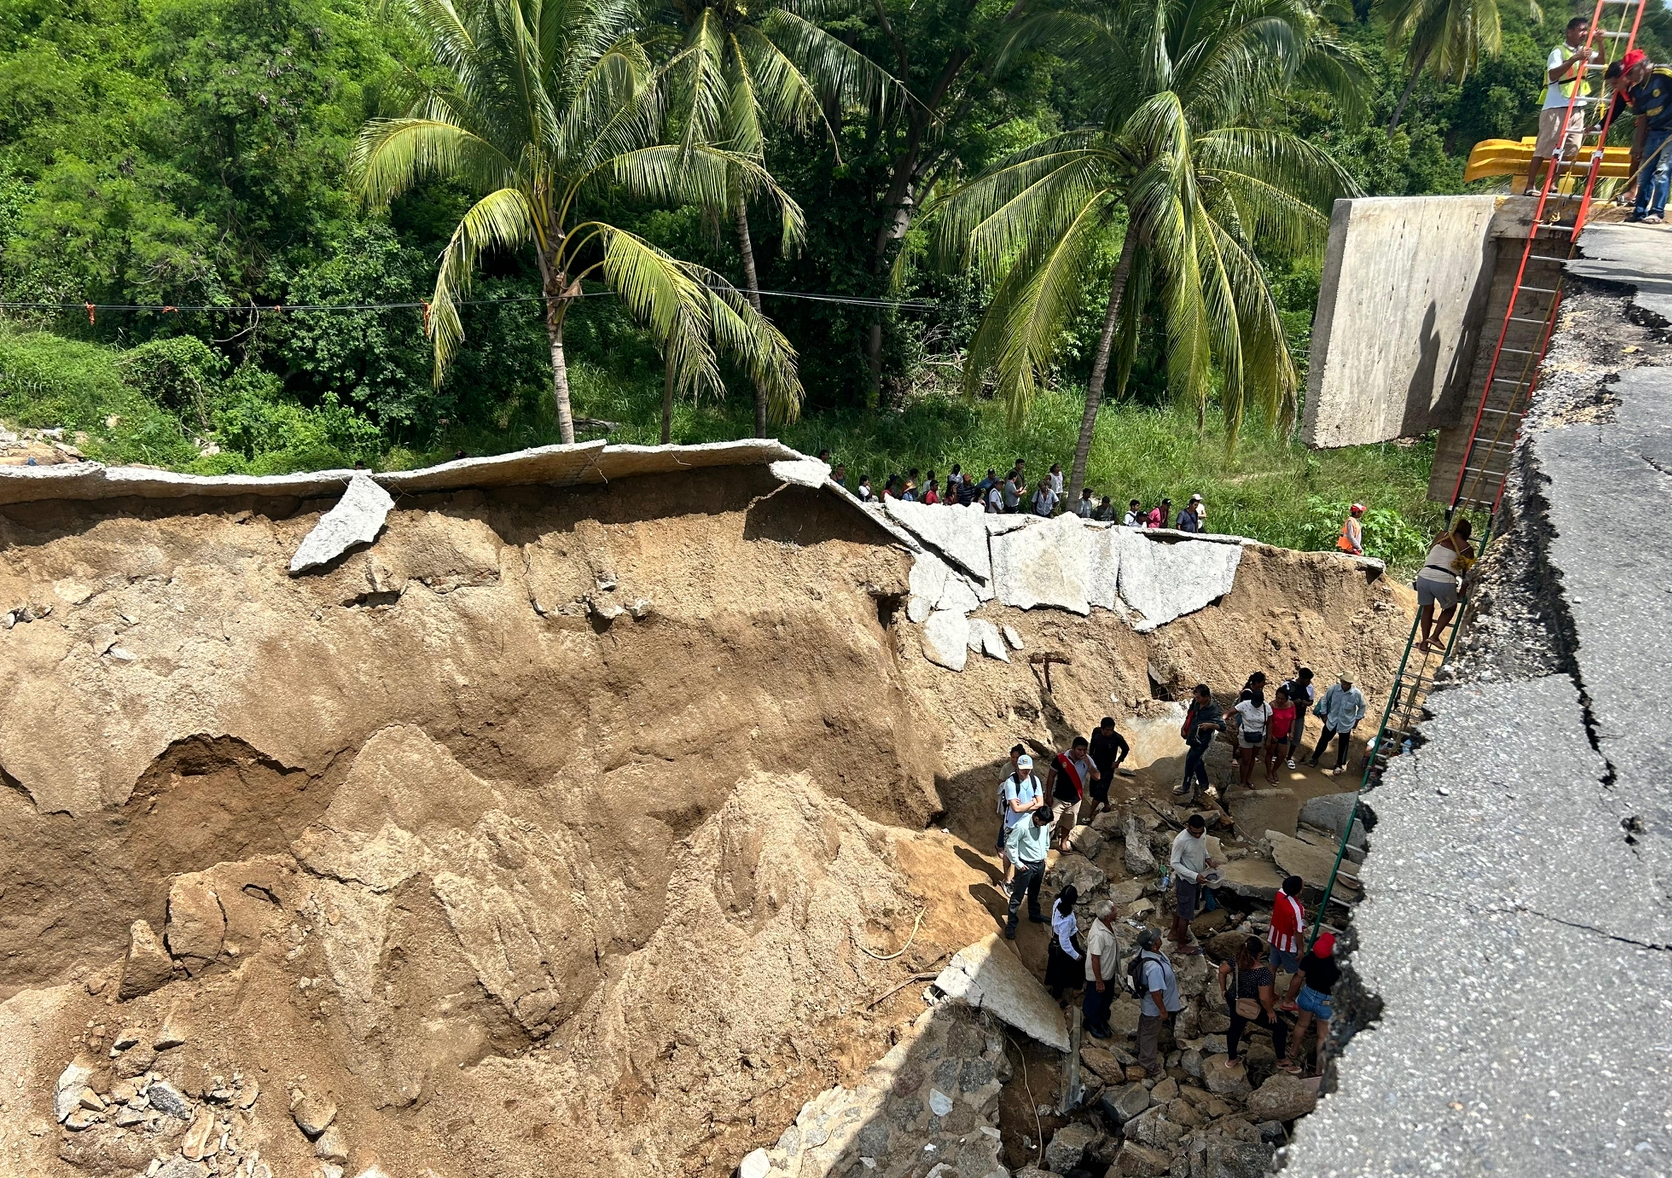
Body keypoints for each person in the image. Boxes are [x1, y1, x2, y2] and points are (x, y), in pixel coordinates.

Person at [1526, 17, 1597, 197]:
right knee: (1544, 147)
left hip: (1577, 106)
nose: (1584, 33)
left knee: (1571, 148)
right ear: (1569, 31)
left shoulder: (1585, 51)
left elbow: (1600, 63)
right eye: (1581, 30)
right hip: (1556, 106)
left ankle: (1552, 183)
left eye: (1585, 30)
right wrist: (1574, 59)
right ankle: (1530, 185)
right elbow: (1553, 74)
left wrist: (1601, 44)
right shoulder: (1558, 52)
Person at [1607, 50, 1672, 223]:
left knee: (1663, 171)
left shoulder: (1664, 74)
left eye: (1631, 72)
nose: (1629, 77)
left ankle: (1656, 212)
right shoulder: (1637, 91)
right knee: (1645, 171)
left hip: (1670, 132)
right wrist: (1638, 144)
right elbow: (1642, 117)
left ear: (1641, 66)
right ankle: (1639, 211)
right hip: (1654, 131)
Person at [1217, 936, 1289, 1071]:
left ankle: (1232, 1059)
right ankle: (1281, 1058)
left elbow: (1221, 971)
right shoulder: (1263, 973)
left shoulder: (1235, 961)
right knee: (1280, 1027)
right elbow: (1263, 998)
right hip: (1253, 1006)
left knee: (1235, 1028)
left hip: (1234, 1000)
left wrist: (1223, 990)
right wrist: (1270, 1011)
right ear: (1259, 954)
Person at [1282, 932, 1341, 1077]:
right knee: (1322, 1037)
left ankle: (1293, 1052)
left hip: (1307, 995)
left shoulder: (1309, 958)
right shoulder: (1339, 964)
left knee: (1301, 1025)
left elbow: (1298, 978)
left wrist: (1289, 997)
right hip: (1327, 1001)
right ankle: (1318, 1071)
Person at [1414, 518, 1475, 652]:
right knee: (1450, 608)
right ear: (1467, 533)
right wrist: (1461, 593)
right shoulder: (1467, 548)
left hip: (1424, 576)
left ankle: (1424, 643)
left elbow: (1432, 549)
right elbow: (1468, 575)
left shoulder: (1441, 536)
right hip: (1443, 579)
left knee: (1427, 609)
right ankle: (1434, 637)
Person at [1133, 928, 1181, 1078]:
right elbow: (1155, 992)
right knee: (1150, 1032)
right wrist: (1162, 1010)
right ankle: (1147, 1062)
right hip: (1153, 1007)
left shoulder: (1149, 953)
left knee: (1144, 1024)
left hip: (1148, 1005)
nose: (1161, 939)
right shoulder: (1153, 968)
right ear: (1153, 946)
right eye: (1157, 939)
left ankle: (1138, 1047)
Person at [1168, 813, 1219, 955]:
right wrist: (1194, 876)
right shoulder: (1181, 840)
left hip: (1198, 878)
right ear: (1187, 826)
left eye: (1200, 832)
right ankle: (1181, 945)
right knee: (1186, 915)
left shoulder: (1202, 832)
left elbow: (1202, 847)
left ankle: (1173, 932)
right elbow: (1174, 863)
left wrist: (1208, 860)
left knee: (1183, 907)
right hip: (1186, 881)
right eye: (1194, 833)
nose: (1197, 836)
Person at [1003, 806, 1054, 939]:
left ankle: (1034, 914)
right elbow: (1010, 845)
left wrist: (1045, 853)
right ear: (1037, 818)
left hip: (1040, 864)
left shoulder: (1044, 825)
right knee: (1017, 896)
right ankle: (1011, 924)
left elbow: (1046, 839)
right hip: (1026, 866)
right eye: (1044, 823)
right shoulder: (1022, 826)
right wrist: (1018, 864)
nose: (1045, 825)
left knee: (1034, 892)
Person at [996, 751, 1043, 884]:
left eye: (1028, 769)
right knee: (1009, 852)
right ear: (1017, 768)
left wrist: (1024, 806)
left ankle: (1018, 880)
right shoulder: (1011, 782)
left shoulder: (1035, 780)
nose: (1025, 772)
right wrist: (1032, 802)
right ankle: (1007, 879)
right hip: (1012, 824)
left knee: (1023, 854)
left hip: (1028, 824)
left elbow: (1041, 804)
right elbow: (1015, 809)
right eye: (1023, 769)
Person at [1046, 737, 1098, 851]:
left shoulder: (1087, 759)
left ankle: (1063, 843)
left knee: (1069, 823)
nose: (1082, 753)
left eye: (1084, 750)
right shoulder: (1060, 758)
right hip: (1058, 797)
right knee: (1050, 822)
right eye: (1079, 750)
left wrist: (1089, 765)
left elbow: (1097, 777)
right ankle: (1044, 845)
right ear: (1073, 748)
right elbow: (1051, 776)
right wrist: (1048, 795)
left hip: (1075, 799)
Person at [1309, 672, 1366, 776]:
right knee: (1323, 740)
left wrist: (1357, 720)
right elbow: (1324, 700)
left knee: (1343, 745)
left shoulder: (1356, 694)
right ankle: (1314, 758)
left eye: (1348, 683)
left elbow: (1362, 707)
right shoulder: (1334, 689)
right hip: (1332, 720)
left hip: (1346, 723)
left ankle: (1339, 764)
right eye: (1344, 682)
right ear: (1341, 681)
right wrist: (1324, 714)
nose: (1345, 684)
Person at [1176, 684, 1223, 800]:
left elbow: (1222, 726)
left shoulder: (1213, 709)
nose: (1196, 699)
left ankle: (1185, 786)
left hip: (1203, 739)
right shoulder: (1196, 703)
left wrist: (1210, 725)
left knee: (1190, 760)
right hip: (1192, 735)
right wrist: (1184, 727)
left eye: (1199, 697)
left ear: (1206, 697)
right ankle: (1204, 783)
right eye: (1195, 697)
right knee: (1197, 760)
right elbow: (1190, 715)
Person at [1082, 901, 1120, 1038]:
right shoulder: (1098, 935)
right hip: (1099, 975)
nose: (1117, 910)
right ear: (1108, 916)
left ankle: (1101, 1019)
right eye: (1114, 910)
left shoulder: (1106, 924)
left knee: (1105, 998)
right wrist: (1099, 981)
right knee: (1095, 999)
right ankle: (1092, 1022)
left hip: (1107, 972)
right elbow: (1095, 959)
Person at [1087, 717, 1130, 823]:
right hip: (1096, 766)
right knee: (1094, 789)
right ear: (1102, 729)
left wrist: (1118, 761)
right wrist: (1090, 757)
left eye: (1111, 730)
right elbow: (1092, 744)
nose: (1109, 732)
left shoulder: (1117, 738)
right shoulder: (1096, 732)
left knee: (1100, 791)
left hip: (1108, 768)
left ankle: (1089, 815)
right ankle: (1106, 804)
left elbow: (1125, 749)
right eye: (1107, 730)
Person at [1046, 885, 1083, 1002]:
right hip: (1065, 944)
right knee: (1063, 970)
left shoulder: (1058, 902)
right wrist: (1075, 955)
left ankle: (1056, 987)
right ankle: (1060, 996)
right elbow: (1065, 941)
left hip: (1055, 939)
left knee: (1056, 967)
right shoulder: (1066, 920)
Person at [1231, 685, 1271, 790]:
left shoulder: (1267, 708)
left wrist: (1269, 738)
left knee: (1252, 758)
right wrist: (1221, 720)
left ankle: (1248, 778)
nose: (1255, 705)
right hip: (1246, 734)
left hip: (1259, 735)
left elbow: (1270, 724)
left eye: (1258, 703)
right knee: (1246, 759)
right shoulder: (1245, 704)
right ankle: (1243, 781)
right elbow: (1230, 712)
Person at [1268, 875, 1305, 979]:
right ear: (1299, 891)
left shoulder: (1280, 893)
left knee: (1272, 966)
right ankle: (1290, 995)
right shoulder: (1297, 910)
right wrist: (1301, 949)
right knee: (1298, 972)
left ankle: (1268, 994)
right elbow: (1298, 931)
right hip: (1287, 943)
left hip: (1274, 935)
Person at [1280, 667, 1315, 770]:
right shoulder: (1287, 685)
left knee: (1296, 737)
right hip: (1286, 715)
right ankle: (1276, 754)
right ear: (1302, 678)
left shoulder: (1309, 688)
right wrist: (1293, 702)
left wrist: (1305, 703)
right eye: (1308, 680)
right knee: (1280, 734)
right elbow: (1280, 699)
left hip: (1299, 716)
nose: (1309, 682)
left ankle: (1289, 757)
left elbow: (1311, 701)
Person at [1264, 685, 1296, 785]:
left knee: (1282, 755)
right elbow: (1267, 721)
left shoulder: (1291, 704)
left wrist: (1292, 731)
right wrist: (1269, 736)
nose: (1280, 700)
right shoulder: (1272, 705)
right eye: (1278, 698)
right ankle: (1269, 772)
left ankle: (1274, 771)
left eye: (1282, 698)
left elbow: (1293, 718)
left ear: (1287, 698)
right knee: (1270, 753)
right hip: (1273, 734)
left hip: (1283, 734)